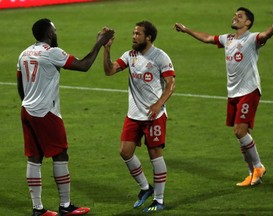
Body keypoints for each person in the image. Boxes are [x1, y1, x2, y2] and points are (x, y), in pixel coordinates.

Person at [174, 8, 273, 186]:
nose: (235, 17)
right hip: (233, 93)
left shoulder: (252, 38)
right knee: (243, 135)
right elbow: (208, 38)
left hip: (249, 91)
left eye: (240, 16)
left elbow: (265, 36)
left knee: (239, 131)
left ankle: (258, 166)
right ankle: (252, 175)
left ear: (248, 23)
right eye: (235, 15)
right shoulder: (228, 39)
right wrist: (187, 30)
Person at [17, 18, 114, 216]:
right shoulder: (52, 53)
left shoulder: (24, 53)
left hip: (27, 110)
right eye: (55, 30)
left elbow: (20, 85)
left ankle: (38, 209)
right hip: (46, 113)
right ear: (50, 34)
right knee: (60, 154)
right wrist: (100, 42)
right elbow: (84, 65)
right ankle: (65, 205)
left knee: (34, 158)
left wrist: (29, 102)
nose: (56, 33)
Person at [103, 21, 175, 212]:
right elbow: (109, 71)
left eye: (138, 34)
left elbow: (170, 84)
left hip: (154, 116)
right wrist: (106, 49)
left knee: (155, 157)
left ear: (148, 37)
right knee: (125, 152)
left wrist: (159, 104)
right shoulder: (130, 55)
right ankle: (145, 188)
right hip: (134, 115)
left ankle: (159, 200)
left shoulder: (160, 57)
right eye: (133, 33)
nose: (133, 37)